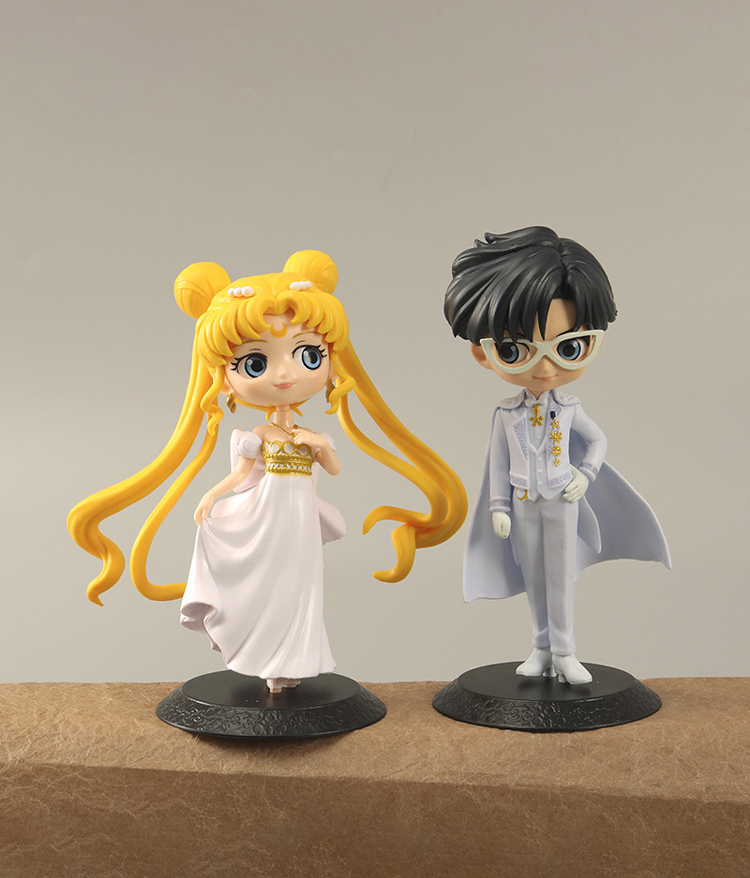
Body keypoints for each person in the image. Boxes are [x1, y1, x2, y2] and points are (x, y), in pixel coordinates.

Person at [69, 250, 466, 691]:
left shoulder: (314, 435)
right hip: (266, 518)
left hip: (300, 520)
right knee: (268, 586)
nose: (284, 375)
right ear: (224, 376)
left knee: (301, 587)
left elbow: (334, 469)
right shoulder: (256, 434)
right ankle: (267, 661)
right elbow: (241, 476)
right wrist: (212, 495)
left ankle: (295, 662)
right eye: (255, 363)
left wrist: (320, 445)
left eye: (308, 356)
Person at [444, 227, 670, 684]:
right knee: (533, 576)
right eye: (515, 350)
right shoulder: (505, 413)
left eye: (567, 348)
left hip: (562, 500)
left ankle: (565, 651)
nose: (545, 367)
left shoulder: (570, 409)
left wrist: (586, 474)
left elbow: (599, 441)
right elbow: (497, 464)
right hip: (523, 503)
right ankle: (541, 645)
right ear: (484, 354)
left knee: (561, 577)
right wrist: (498, 506)